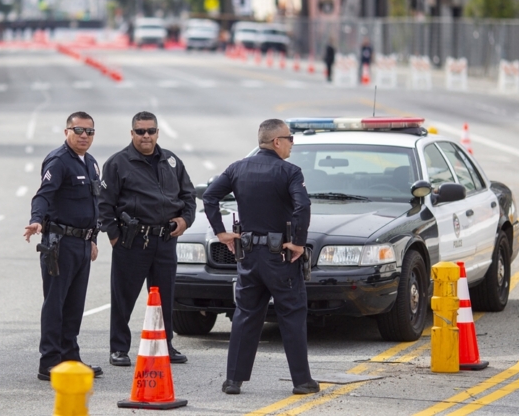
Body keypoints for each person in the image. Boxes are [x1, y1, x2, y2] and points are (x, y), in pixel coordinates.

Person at [203, 119, 318, 396]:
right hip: (280, 257)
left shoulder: (237, 168)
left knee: (245, 315)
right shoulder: (290, 171)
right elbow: (302, 206)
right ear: (277, 141)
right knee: (291, 314)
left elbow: (209, 197)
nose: (292, 143)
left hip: (249, 256)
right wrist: (298, 243)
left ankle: (233, 381)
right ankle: (302, 382)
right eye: (289, 138)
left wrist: (221, 233)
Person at [100, 111, 196, 367]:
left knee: (165, 296)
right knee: (124, 297)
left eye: (150, 131)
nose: (146, 136)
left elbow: (188, 196)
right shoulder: (118, 163)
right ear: (131, 133)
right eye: (140, 131)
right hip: (132, 242)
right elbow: (103, 203)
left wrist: (185, 220)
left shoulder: (171, 161)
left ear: (157, 133)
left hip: (165, 240)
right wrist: (113, 236)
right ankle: (119, 349)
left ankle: (165, 344)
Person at [23, 111, 104, 382]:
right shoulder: (58, 161)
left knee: (75, 304)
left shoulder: (91, 163)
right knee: (55, 303)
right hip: (60, 243)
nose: (84, 136)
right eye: (78, 130)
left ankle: (70, 357)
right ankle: (49, 361)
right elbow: (43, 196)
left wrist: (93, 239)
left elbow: (94, 206)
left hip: (82, 244)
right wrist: (36, 221)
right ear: (66, 131)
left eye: (89, 132)